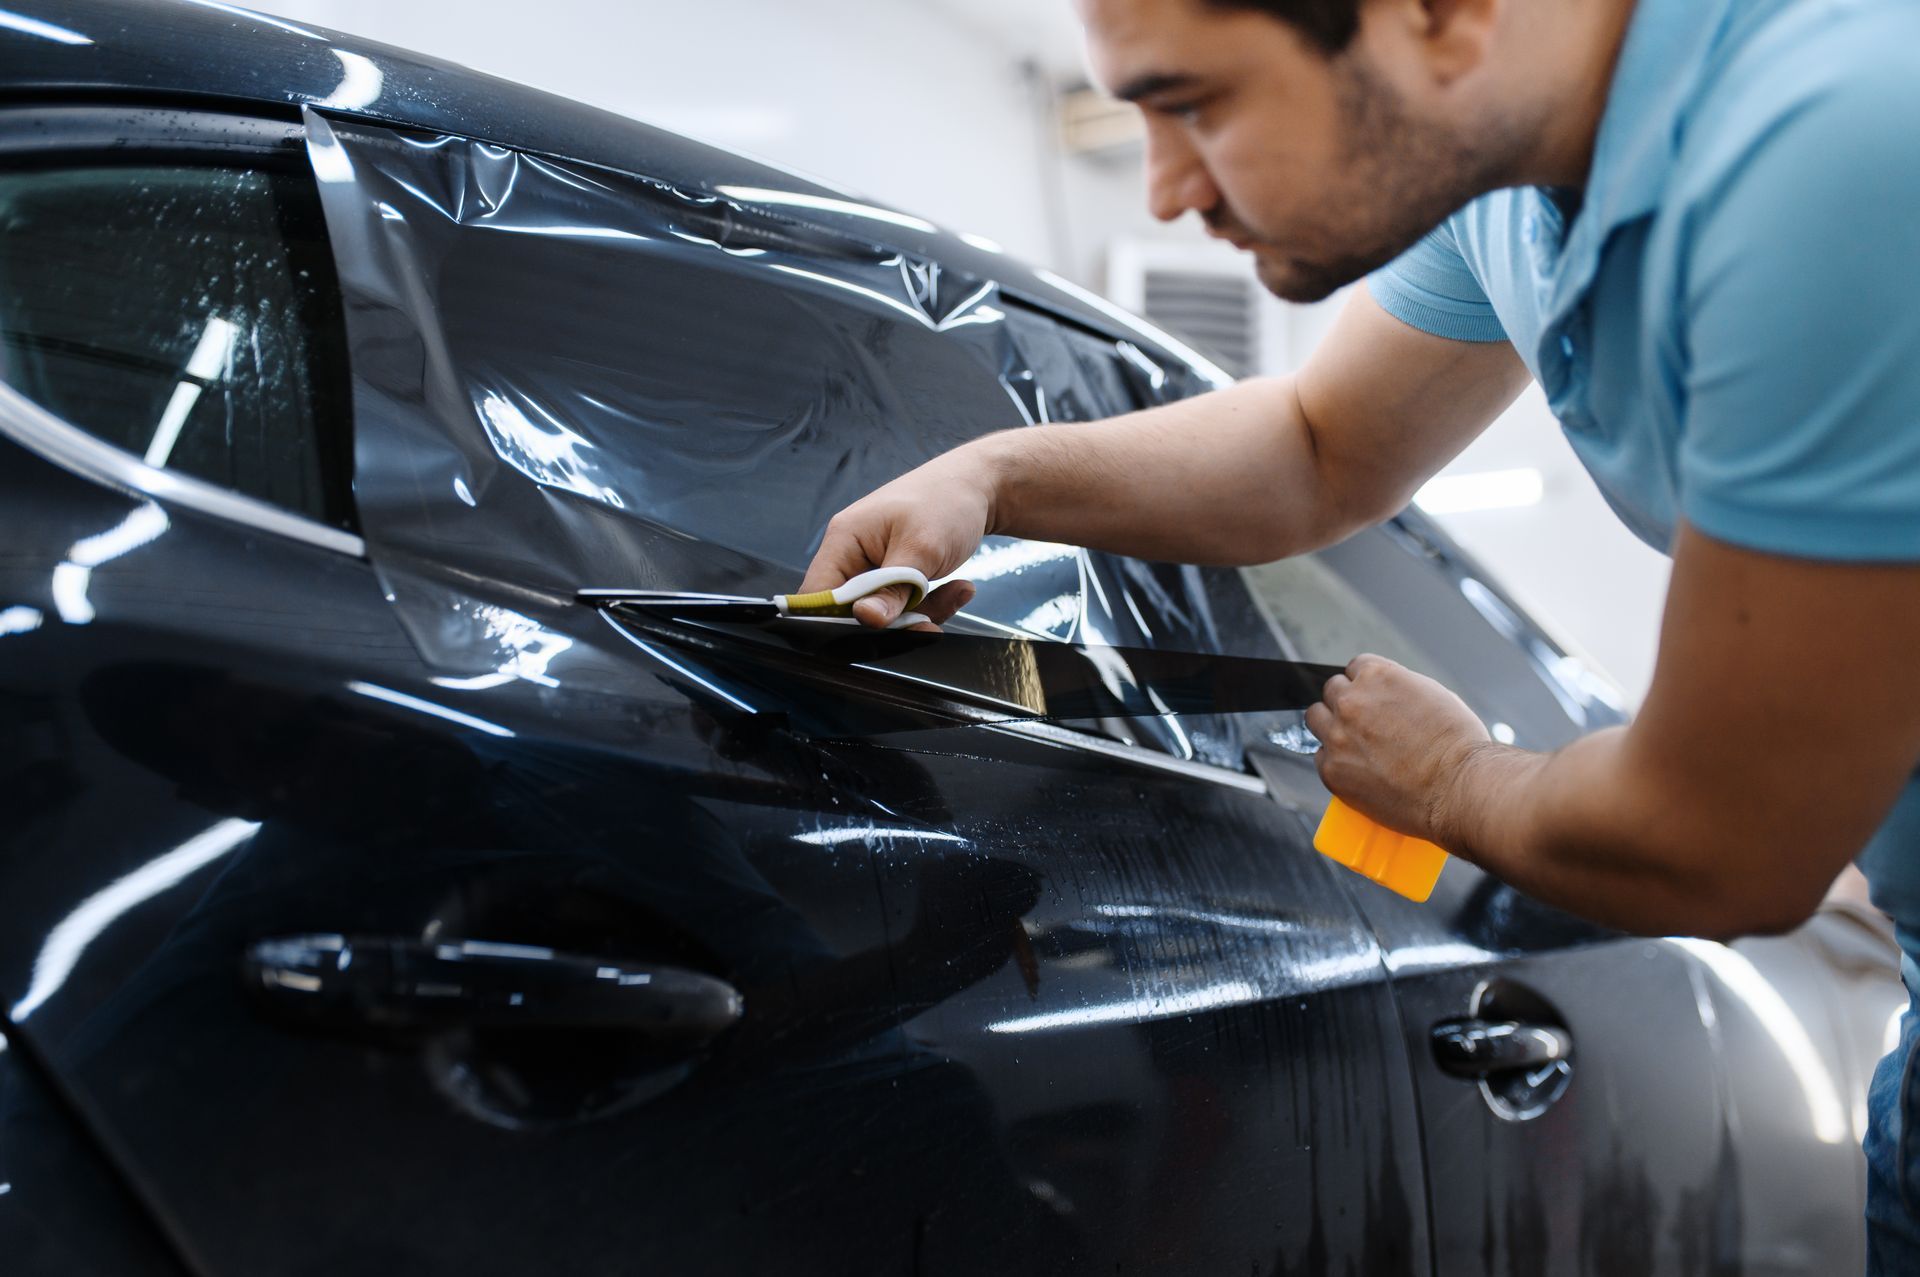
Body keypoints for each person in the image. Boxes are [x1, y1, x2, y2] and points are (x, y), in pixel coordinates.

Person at [795, 0, 1920, 1265]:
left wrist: (1449, 780)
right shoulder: (1510, 183)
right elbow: (1319, 444)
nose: (1165, 189)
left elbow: (1723, 837)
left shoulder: (1836, 140)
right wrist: (990, 477)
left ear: (1442, 14)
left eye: (1195, 104)